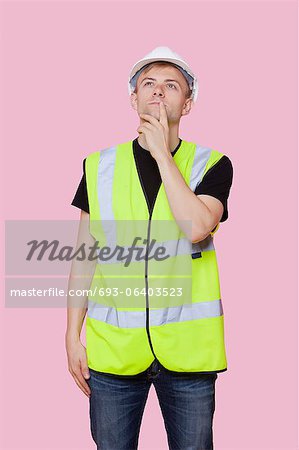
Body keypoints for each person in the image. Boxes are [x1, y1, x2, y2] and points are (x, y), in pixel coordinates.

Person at [66, 46, 233, 450]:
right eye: (149, 84)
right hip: (114, 355)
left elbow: (196, 226)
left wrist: (161, 152)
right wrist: (72, 335)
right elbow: (84, 257)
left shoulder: (212, 164)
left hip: (189, 357)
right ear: (133, 99)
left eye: (171, 85)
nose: (158, 93)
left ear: (187, 103)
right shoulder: (98, 166)